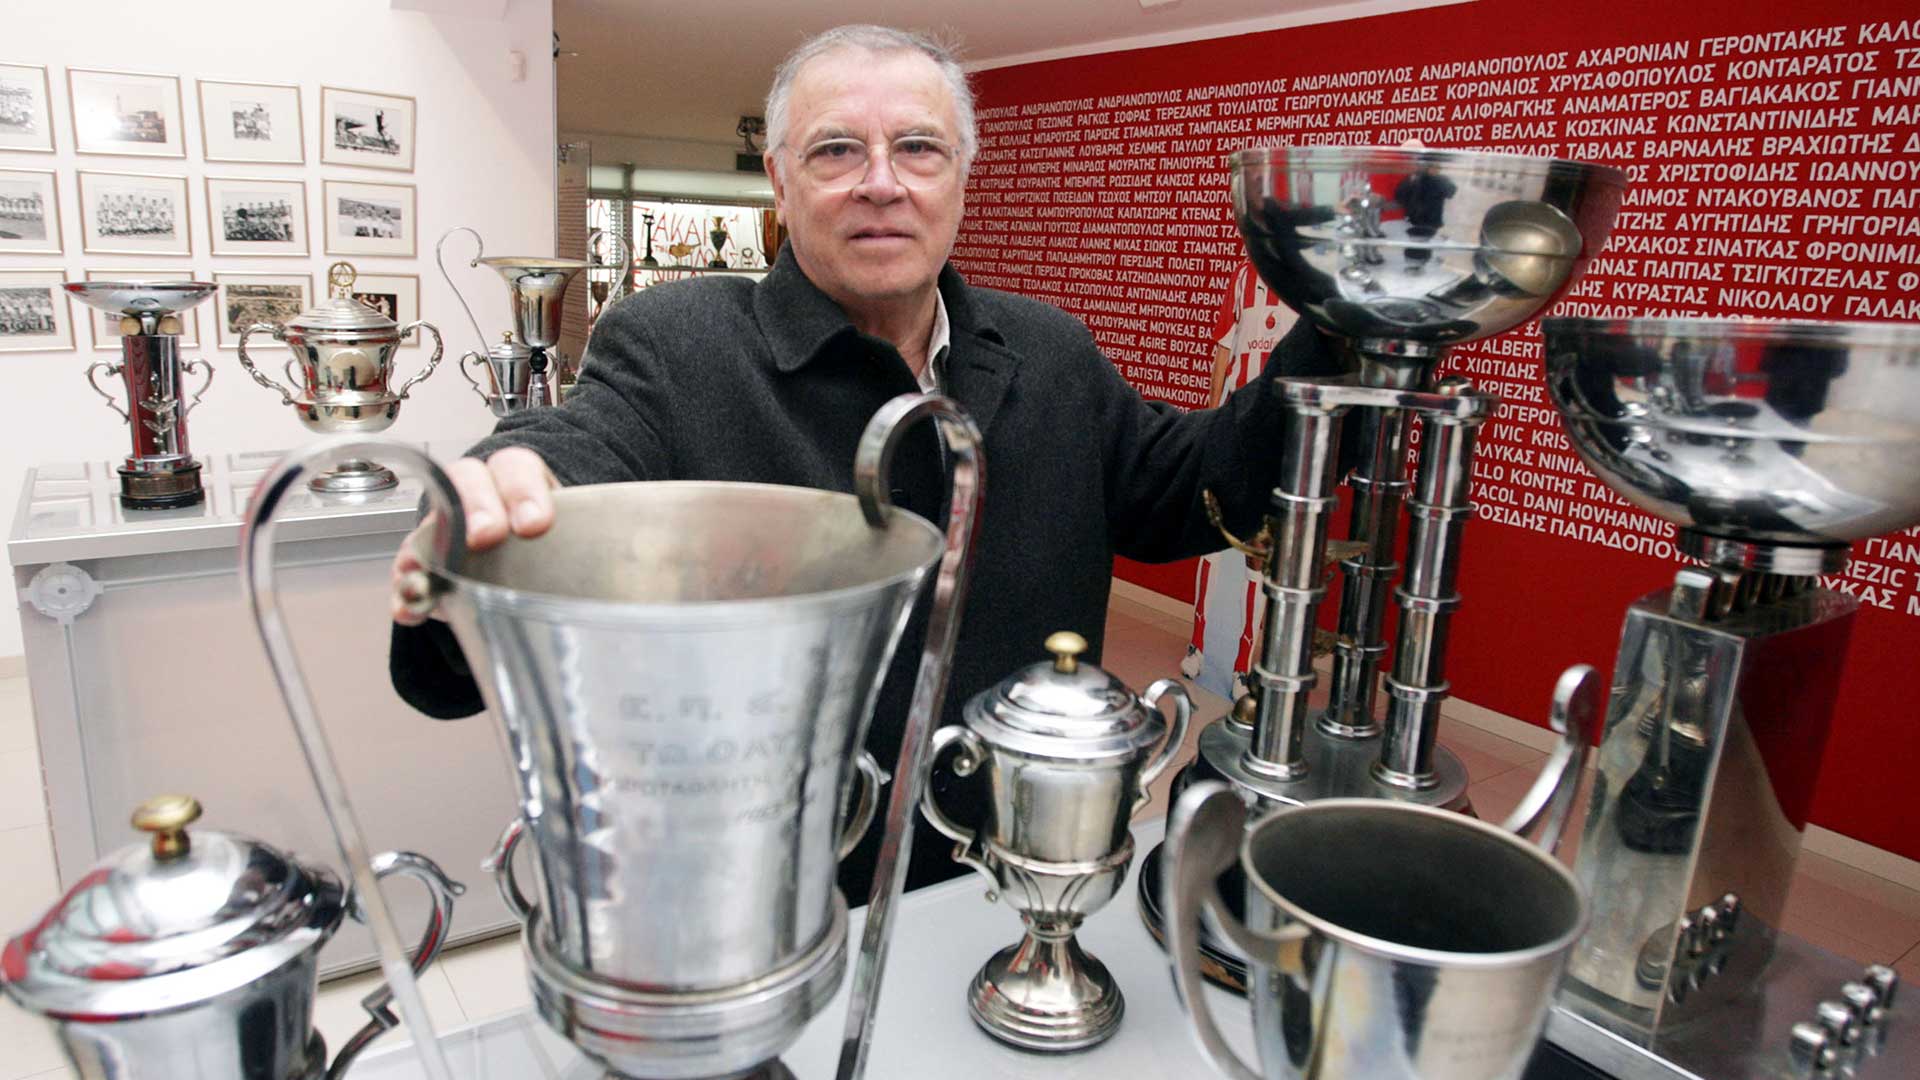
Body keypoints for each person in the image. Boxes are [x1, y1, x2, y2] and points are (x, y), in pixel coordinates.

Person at [387, 24, 1345, 900]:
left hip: (1016, 885)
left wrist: (1346, 324)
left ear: (961, 177)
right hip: (775, 902)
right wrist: (502, 493)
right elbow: (584, 443)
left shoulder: (1047, 352)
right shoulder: (678, 345)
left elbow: (1193, 484)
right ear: (780, 180)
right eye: (836, 149)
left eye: (919, 148)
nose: (882, 182)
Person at [1181, 260, 1298, 703]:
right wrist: (1211, 422)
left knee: (1257, 550)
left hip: (1275, 436)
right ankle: (1198, 646)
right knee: (1211, 540)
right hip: (1231, 429)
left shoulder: (1301, 286)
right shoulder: (1244, 277)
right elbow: (1224, 349)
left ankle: (1243, 666)